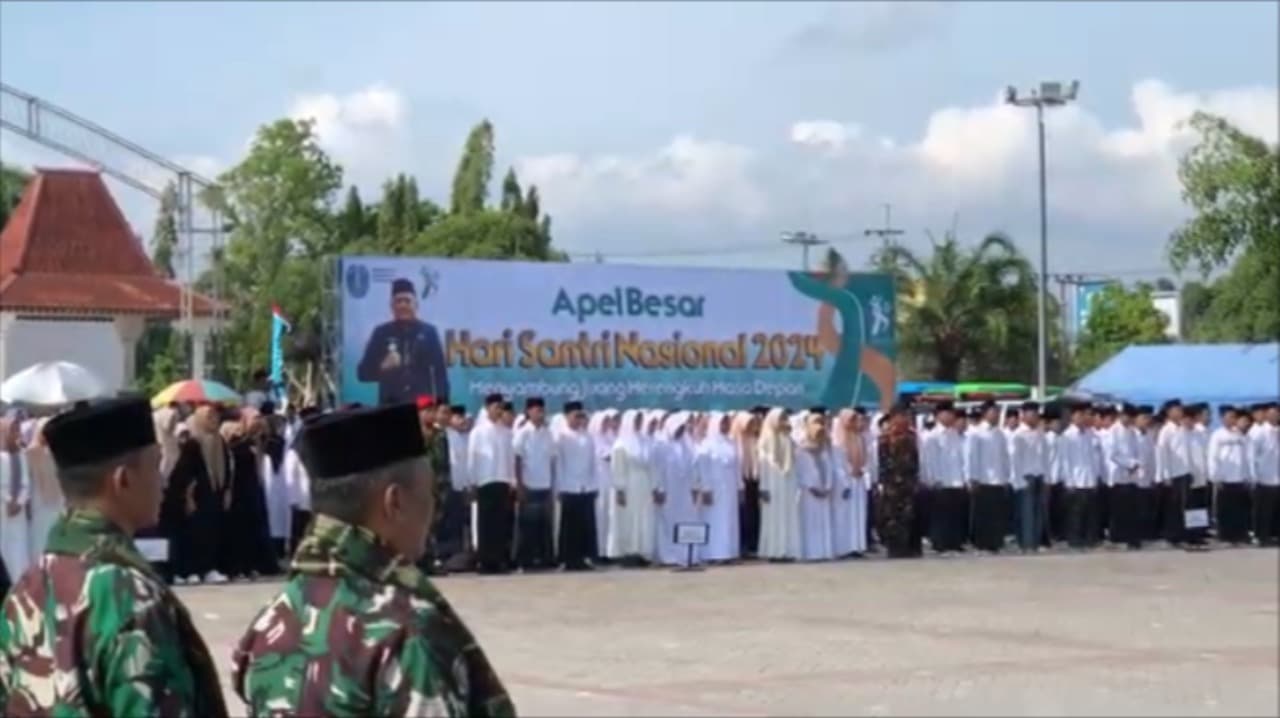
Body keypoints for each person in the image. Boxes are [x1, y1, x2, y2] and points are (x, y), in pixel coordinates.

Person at [231, 403, 515, 717]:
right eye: (431, 493)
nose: (434, 507)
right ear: (395, 502)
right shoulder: (408, 632)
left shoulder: (274, 617)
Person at [0, 398, 228, 716]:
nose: (162, 482)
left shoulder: (26, 589)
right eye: (154, 465)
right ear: (123, 480)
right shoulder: (130, 597)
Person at [356, 277, 451, 406]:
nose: (403, 305)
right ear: (391, 306)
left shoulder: (429, 332)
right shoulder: (381, 332)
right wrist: (382, 367)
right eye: (398, 301)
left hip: (422, 407)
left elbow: (440, 374)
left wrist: (442, 405)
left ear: (416, 305)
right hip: (390, 406)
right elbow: (362, 374)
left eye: (407, 301)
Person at [468, 394, 516, 574]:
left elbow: (510, 458)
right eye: (496, 407)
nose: (498, 410)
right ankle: (485, 562)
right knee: (486, 523)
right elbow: (473, 458)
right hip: (485, 481)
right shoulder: (478, 432)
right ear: (487, 408)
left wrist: (512, 480)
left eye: (501, 407)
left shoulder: (506, 432)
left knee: (500, 523)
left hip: (502, 480)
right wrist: (472, 481)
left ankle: (498, 561)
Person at [513, 397, 556, 571]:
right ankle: (526, 561)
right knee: (528, 526)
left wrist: (553, 485)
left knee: (544, 526)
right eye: (536, 410)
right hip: (528, 485)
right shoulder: (523, 433)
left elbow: (552, 460)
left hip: (544, 484)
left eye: (541, 410)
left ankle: (544, 559)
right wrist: (520, 484)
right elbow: (517, 459)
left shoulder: (548, 433)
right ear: (528, 412)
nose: (539, 413)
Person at [554, 402, 598, 570]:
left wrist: (594, 485)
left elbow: (593, 463)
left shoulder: (587, 436)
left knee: (585, 526)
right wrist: (560, 487)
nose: (578, 419)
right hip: (569, 487)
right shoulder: (561, 437)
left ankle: (583, 559)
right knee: (569, 527)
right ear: (567, 416)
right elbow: (559, 464)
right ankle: (568, 560)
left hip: (586, 487)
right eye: (575, 415)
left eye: (580, 415)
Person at [694, 412, 741, 564]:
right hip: (714, 489)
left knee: (729, 520)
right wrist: (706, 488)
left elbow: (736, 467)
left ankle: (728, 552)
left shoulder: (730, 442)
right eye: (722, 423)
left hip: (729, 488)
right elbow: (703, 468)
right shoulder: (706, 445)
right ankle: (714, 554)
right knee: (714, 520)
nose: (725, 426)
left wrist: (740, 486)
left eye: (727, 423)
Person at [875, 403, 921, 558]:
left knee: (909, 515)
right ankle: (894, 548)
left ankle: (909, 546)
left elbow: (916, 460)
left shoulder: (911, 436)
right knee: (892, 516)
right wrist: (882, 481)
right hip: (892, 483)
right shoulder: (885, 438)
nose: (904, 419)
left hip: (908, 481)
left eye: (906, 416)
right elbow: (881, 461)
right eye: (901, 416)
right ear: (893, 418)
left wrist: (916, 478)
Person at [923, 402, 967, 554]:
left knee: (955, 513)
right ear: (938, 415)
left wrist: (963, 478)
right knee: (940, 515)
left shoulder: (954, 434)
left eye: (952, 413)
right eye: (947, 413)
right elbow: (929, 460)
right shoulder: (932, 436)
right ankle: (940, 543)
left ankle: (954, 542)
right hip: (940, 480)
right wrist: (932, 479)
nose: (951, 416)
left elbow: (959, 457)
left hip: (956, 480)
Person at [965, 401, 1010, 553]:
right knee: (983, 513)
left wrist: (1005, 477)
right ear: (985, 414)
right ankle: (981, 543)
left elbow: (1004, 457)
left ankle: (995, 542)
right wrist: (972, 477)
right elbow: (971, 456)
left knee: (997, 513)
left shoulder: (1000, 434)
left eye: (997, 412)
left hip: (998, 478)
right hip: (983, 479)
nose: (996, 415)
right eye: (993, 412)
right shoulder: (976, 433)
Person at [757, 408, 801, 561]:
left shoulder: (789, 439)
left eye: (785, 418)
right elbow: (763, 465)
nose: (783, 422)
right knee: (773, 519)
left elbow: (795, 460)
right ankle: (774, 551)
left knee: (787, 517)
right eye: (780, 418)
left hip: (788, 483)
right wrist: (763, 488)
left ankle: (788, 550)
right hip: (772, 485)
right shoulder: (766, 440)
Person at [1208, 405, 1252, 545]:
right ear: (1222, 418)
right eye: (1229, 417)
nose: (1232, 419)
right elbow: (1212, 457)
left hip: (1239, 477)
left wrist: (1247, 475)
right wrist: (1215, 476)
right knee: (1225, 509)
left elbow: (1246, 457)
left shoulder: (1240, 435)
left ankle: (1239, 534)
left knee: (1240, 508)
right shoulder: (1217, 435)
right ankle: (1226, 535)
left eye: (1234, 417)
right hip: (1225, 478)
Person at [1010, 401, 1049, 552]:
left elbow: (1045, 457)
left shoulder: (1040, 434)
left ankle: (1035, 542)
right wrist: (1018, 480)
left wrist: (1047, 478)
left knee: (1039, 512)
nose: (1034, 416)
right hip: (1026, 476)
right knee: (1026, 513)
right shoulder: (1018, 435)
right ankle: (1026, 544)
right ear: (1023, 415)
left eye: (1036, 413)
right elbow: (1015, 459)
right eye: (1031, 413)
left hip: (1039, 475)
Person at [0, 417, 30, 582]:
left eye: (18, 430)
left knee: (18, 548)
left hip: (18, 510)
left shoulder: (21, 455)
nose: (16, 434)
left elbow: (26, 483)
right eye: (13, 430)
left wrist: (19, 502)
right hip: (2, 509)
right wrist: (8, 500)